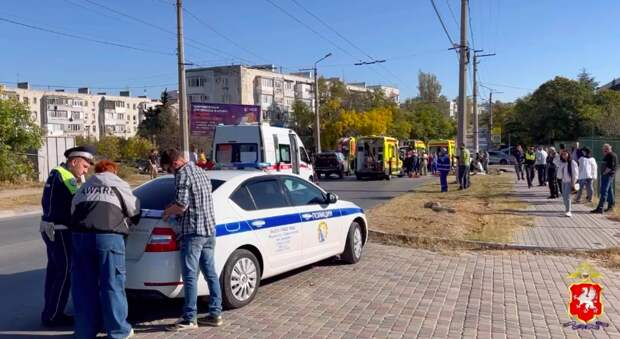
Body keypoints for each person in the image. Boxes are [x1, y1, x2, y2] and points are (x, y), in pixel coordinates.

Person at [70, 160, 140, 339]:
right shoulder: (119, 184)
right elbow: (134, 209)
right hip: (108, 238)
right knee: (112, 285)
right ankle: (118, 331)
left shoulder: (85, 186)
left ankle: (85, 332)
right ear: (114, 172)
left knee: (83, 287)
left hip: (80, 238)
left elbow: (73, 209)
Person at [160, 149, 223, 331]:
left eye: (167, 169)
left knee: (190, 277)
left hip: (193, 232)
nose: (169, 173)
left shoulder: (182, 175)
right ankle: (215, 313)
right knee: (210, 273)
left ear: (174, 164)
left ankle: (189, 318)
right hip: (209, 230)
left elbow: (181, 205)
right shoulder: (201, 171)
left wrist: (167, 212)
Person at [39, 145, 95, 327]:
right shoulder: (67, 177)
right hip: (61, 231)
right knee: (64, 272)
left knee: (54, 272)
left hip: (51, 228)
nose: (85, 170)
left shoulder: (56, 173)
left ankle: (50, 312)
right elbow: (77, 204)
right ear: (74, 162)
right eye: (84, 166)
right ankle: (54, 315)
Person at [592, 144, 617, 214]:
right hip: (609, 175)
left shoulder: (610, 155)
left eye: (605, 149)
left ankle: (600, 208)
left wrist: (604, 173)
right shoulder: (611, 155)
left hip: (607, 175)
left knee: (604, 191)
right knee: (609, 191)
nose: (604, 150)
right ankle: (611, 206)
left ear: (609, 149)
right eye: (603, 149)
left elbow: (611, 166)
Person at [557, 150, 578, 217]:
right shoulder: (562, 163)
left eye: (565, 154)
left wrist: (573, 183)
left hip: (570, 182)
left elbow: (575, 173)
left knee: (567, 196)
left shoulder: (572, 162)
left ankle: (569, 211)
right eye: (563, 155)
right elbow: (559, 175)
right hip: (563, 181)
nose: (564, 156)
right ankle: (566, 210)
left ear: (568, 154)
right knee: (564, 197)